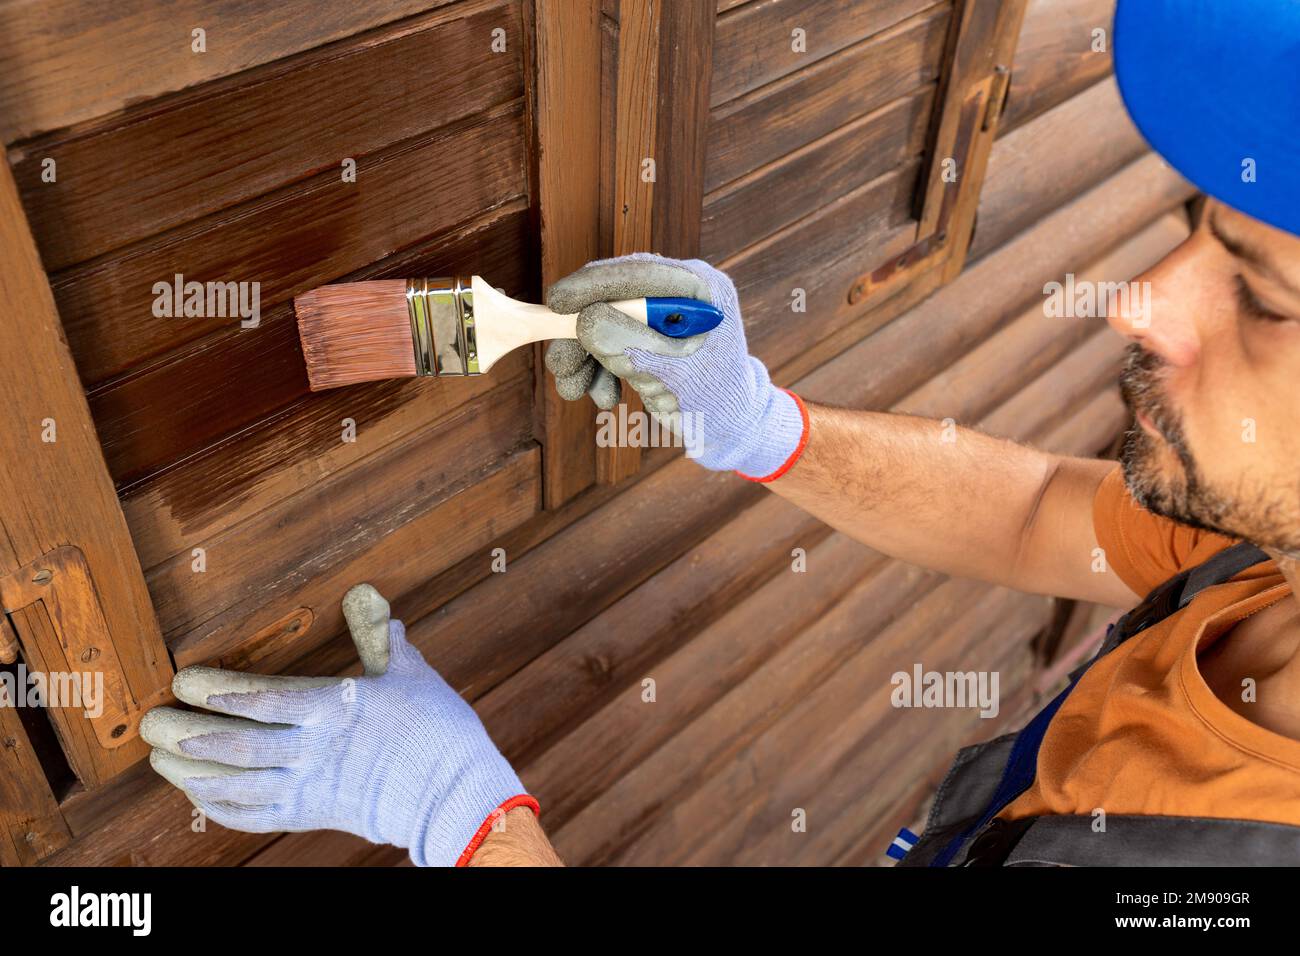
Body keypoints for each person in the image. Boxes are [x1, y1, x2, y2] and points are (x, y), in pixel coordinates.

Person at [141, 0, 1300, 865]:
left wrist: (463, 817)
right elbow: (1041, 508)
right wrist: (757, 422)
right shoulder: (1259, 544)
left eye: (1262, 293)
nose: (1140, 299)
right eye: (1192, 226)